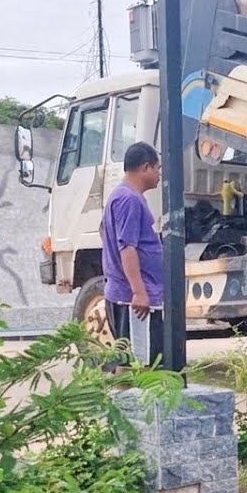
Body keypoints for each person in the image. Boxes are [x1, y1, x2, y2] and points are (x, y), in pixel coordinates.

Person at [101, 142, 165, 363]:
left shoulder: (124, 196)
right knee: (137, 364)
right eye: (157, 168)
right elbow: (127, 248)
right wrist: (139, 292)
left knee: (132, 361)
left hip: (131, 297)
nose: (159, 174)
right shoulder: (128, 199)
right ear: (145, 167)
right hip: (134, 301)